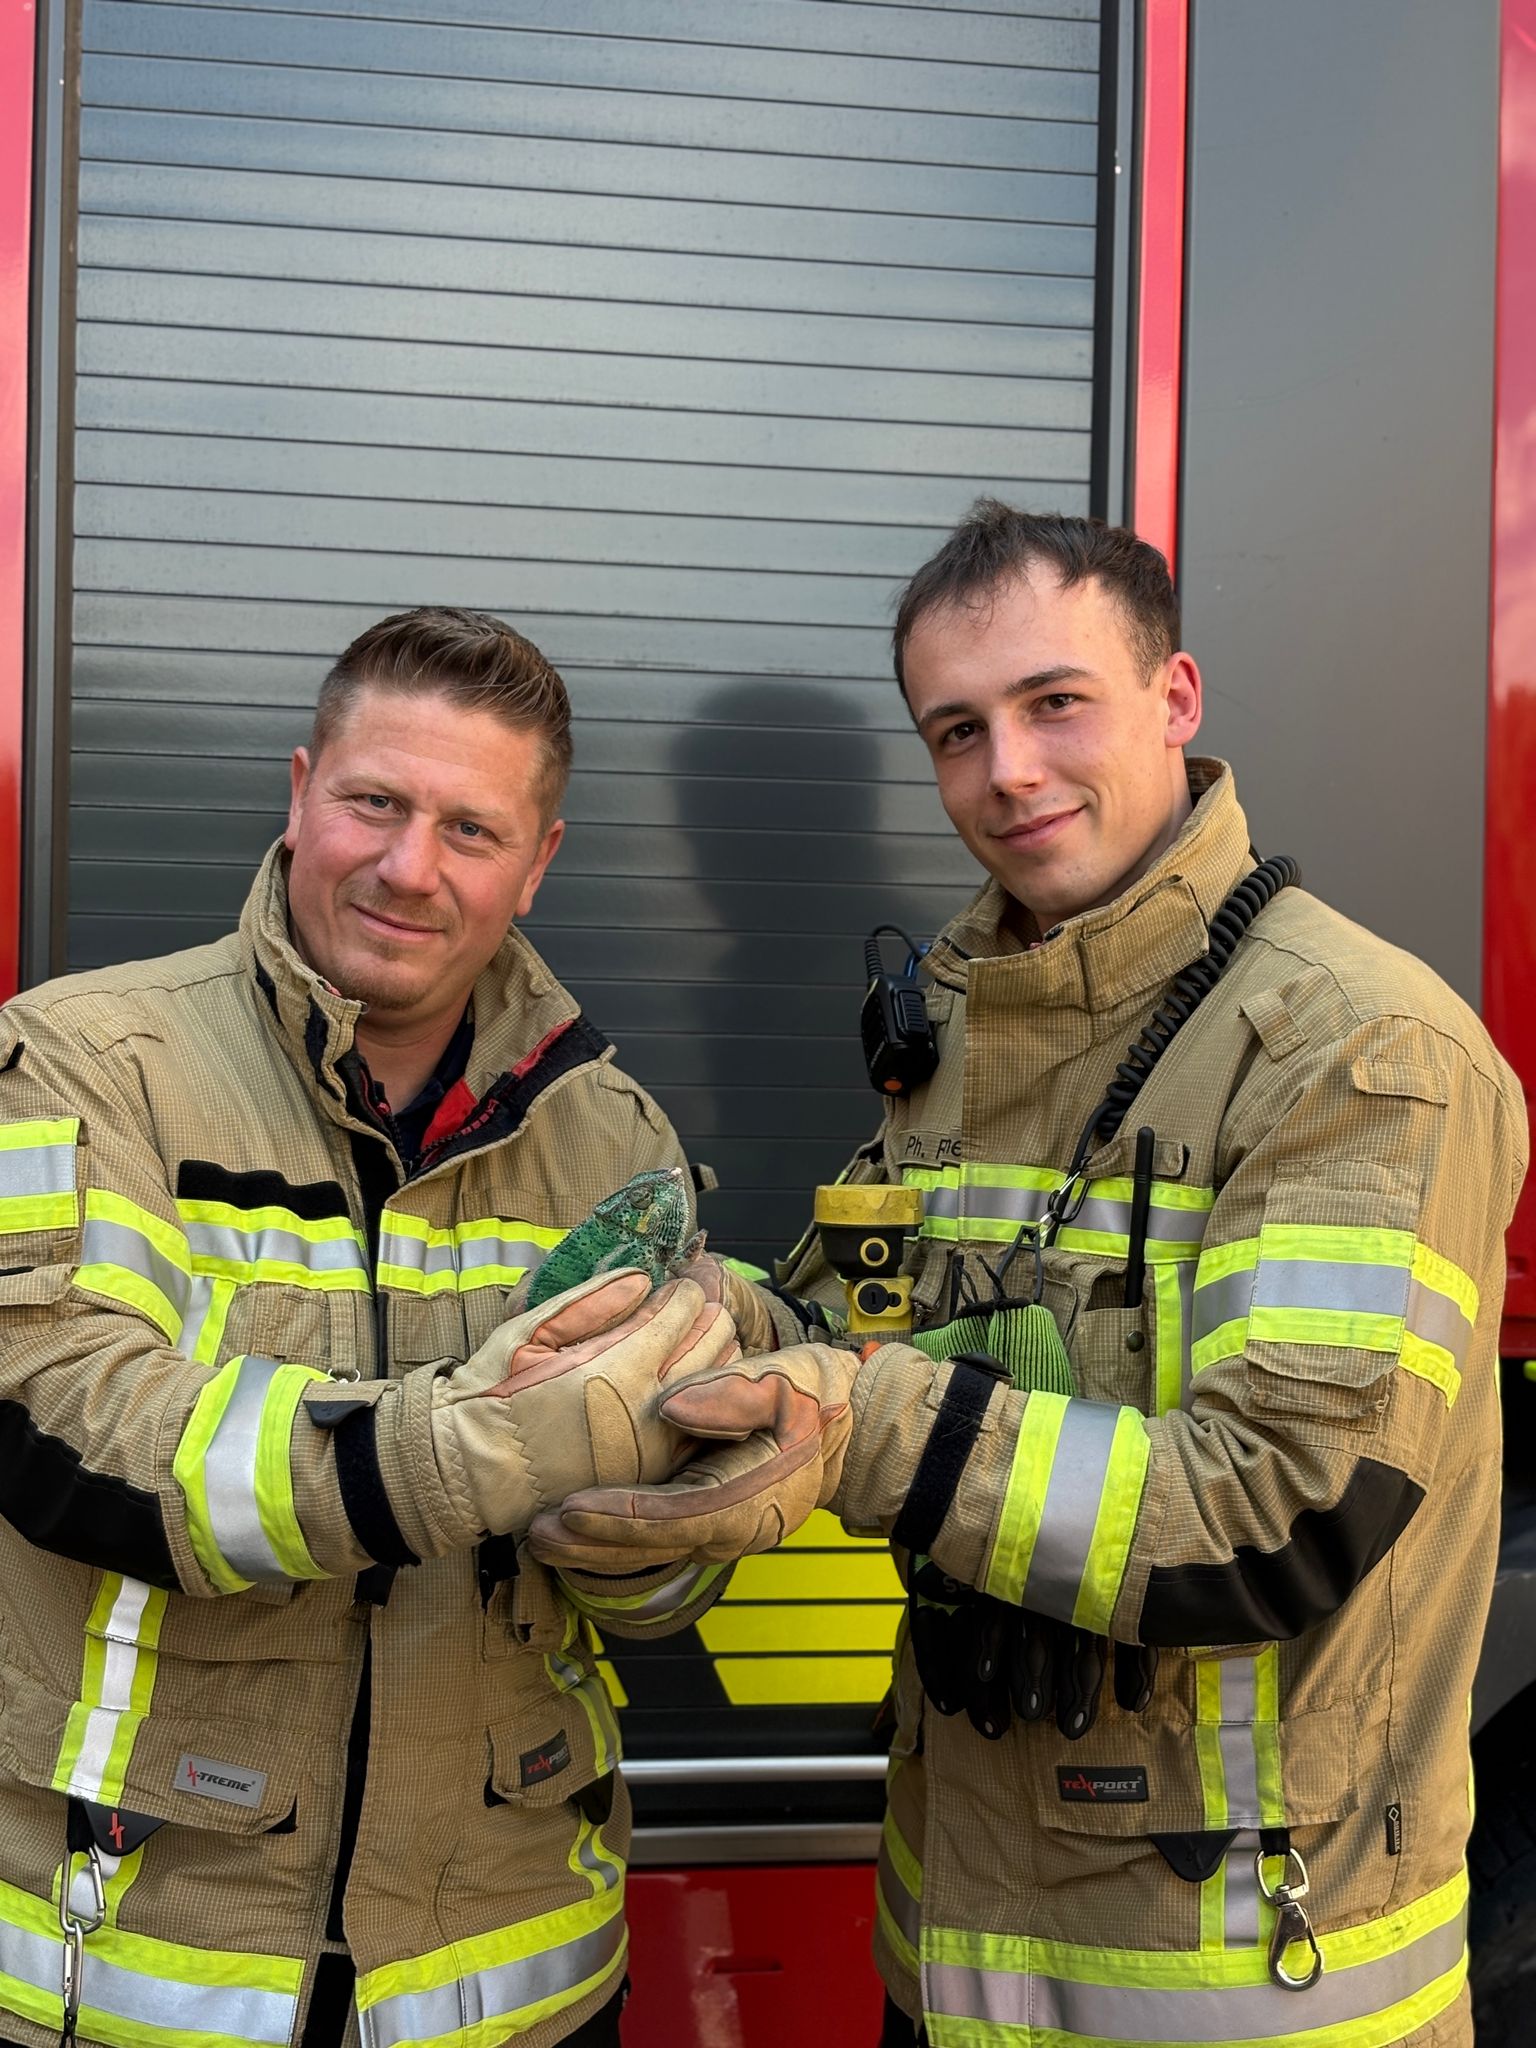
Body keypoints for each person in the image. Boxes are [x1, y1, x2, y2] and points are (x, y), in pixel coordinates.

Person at [534, 506, 1530, 2048]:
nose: (1005, 770)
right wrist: (718, 1331)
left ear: (1176, 698)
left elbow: (1283, 1514)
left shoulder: (1359, 1048)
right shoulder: (963, 1017)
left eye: (1054, 702)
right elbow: (864, 1323)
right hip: (948, 1963)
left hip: (1240, 1994)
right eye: (956, 729)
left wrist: (854, 1421)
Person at [0, 607, 737, 2048]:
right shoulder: (80, 1065)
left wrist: (658, 1502)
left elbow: (657, 1610)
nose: (409, 868)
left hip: (516, 1982)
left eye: (471, 829)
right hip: (129, 1969)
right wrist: (482, 1444)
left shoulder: (617, 1145)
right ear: (297, 793)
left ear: (539, 865)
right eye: (374, 803)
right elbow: (64, 1428)